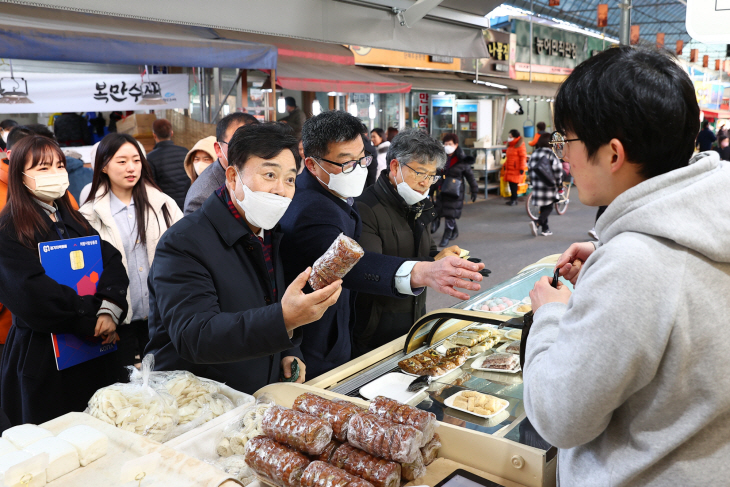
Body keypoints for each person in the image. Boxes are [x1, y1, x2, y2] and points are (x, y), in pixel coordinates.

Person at [524, 46, 730, 486]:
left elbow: (560, 418)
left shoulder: (637, 265)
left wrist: (550, 314)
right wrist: (609, 257)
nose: (564, 158)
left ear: (613, 154)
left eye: (568, 141)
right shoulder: (714, 220)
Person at [279, 111, 485, 378]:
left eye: (362, 158)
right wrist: (422, 272)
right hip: (319, 342)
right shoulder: (313, 208)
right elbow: (350, 265)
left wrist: (433, 260)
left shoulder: (336, 191)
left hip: (352, 329)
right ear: (312, 164)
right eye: (345, 163)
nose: (358, 169)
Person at [146, 122, 342, 393]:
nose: (281, 190)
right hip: (198, 403)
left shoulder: (272, 231)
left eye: (289, 179)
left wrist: (289, 349)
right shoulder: (183, 243)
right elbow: (194, 336)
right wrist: (284, 320)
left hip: (256, 396)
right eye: (270, 174)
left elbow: (274, 301)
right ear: (232, 177)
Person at [0, 135, 129, 424]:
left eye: (59, 166)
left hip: (96, 352)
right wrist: (93, 320)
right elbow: (32, 295)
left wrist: (110, 309)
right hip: (44, 357)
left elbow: (110, 261)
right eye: (43, 169)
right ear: (20, 176)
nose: (56, 174)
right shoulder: (8, 230)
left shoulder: (75, 220)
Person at [80, 133, 183, 381]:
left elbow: (184, 254)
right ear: (103, 166)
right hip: (119, 320)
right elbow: (89, 272)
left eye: (136, 160)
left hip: (162, 317)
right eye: (122, 161)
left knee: (168, 384)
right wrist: (105, 312)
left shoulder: (163, 204)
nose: (131, 168)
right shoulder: (89, 215)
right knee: (122, 390)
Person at [353, 129, 460, 356]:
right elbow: (370, 270)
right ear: (394, 167)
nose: (425, 183)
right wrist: (431, 264)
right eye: (420, 173)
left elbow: (428, 251)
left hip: (415, 319)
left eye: (432, 175)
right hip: (374, 329)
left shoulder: (419, 204)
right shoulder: (365, 208)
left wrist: (442, 259)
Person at [184, 113, 259, 215]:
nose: (248, 151)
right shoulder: (203, 198)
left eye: (255, 145)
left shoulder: (259, 175)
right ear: (218, 149)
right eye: (238, 145)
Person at [432, 133, 478, 248]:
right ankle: (454, 231)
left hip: (455, 192)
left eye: (450, 144)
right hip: (442, 189)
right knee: (443, 211)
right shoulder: (441, 159)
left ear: (456, 145)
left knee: (450, 214)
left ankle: (446, 235)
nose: (447, 146)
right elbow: (436, 175)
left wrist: (474, 189)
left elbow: (470, 176)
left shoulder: (462, 160)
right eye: (445, 144)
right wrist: (430, 189)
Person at [146, 119, 190, 210]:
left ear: (154, 135)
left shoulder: (150, 158)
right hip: (187, 203)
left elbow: (152, 187)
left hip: (167, 207)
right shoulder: (185, 152)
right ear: (172, 133)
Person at [527, 133, 563, 237]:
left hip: (537, 184)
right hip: (548, 184)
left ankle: (545, 229)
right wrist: (559, 183)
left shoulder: (534, 153)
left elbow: (530, 168)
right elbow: (558, 170)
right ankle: (537, 223)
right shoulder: (550, 154)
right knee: (549, 207)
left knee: (544, 206)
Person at [504, 129, 527, 206]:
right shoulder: (511, 145)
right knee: (511, 184)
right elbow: (508, 158)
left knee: (514, 185)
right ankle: (513, 199)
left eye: (510, 136)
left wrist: (521, 168)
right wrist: (505, 165)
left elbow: (523, 157)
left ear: (514, 136)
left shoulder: (520, 145)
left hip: (516, 169)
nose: (509, 137)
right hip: (510, 168)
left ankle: (514, 199)